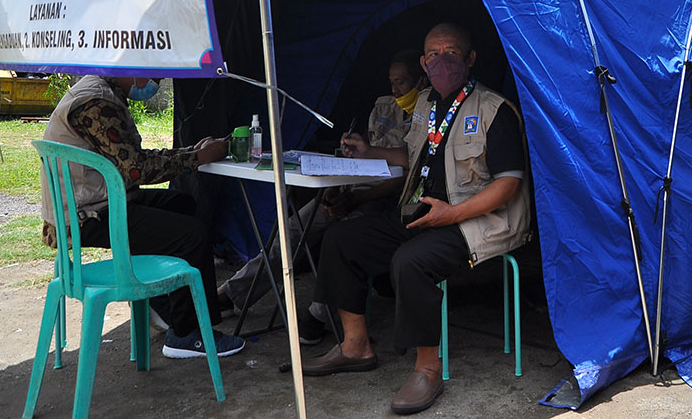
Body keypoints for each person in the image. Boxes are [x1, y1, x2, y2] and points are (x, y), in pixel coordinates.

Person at [302, 23, 530, 416]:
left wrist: (452, 213)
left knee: (411, 261)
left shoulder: (493, 109)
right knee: (342, 239)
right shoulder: (425, 103)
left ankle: (427, 367)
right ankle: (355, 346)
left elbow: (510, 183)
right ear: (424, 62)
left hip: (472, 221)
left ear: (470, 59)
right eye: (434, 54)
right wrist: (369, 150)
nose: (442, 61)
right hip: (418, 213)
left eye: (452, 53)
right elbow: (411, 156)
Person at [215, 50, 426, 340]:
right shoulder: (383, 106)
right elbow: (365, 161)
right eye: (391, 82)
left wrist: (353, 200)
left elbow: (407, 173)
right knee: (293, 228)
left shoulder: (430, 110)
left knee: (344, 237)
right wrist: (336, 189)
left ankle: (319, 314)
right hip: (356, 188)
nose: (394, 89)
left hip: (390, 198)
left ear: (420, 79)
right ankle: (236, 291)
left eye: (401, 82)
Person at [40, 74, 245, 359]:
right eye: (155, 73)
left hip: (100, 201)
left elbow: (131, 158)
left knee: (184, 204)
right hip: (88, 215)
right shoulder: (96, 104)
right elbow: (137, 170)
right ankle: (186, 333)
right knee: (193, 234)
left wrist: (193, 152)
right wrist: (198, 158)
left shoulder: (99, 90)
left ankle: (176, 304)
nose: (157, 81)